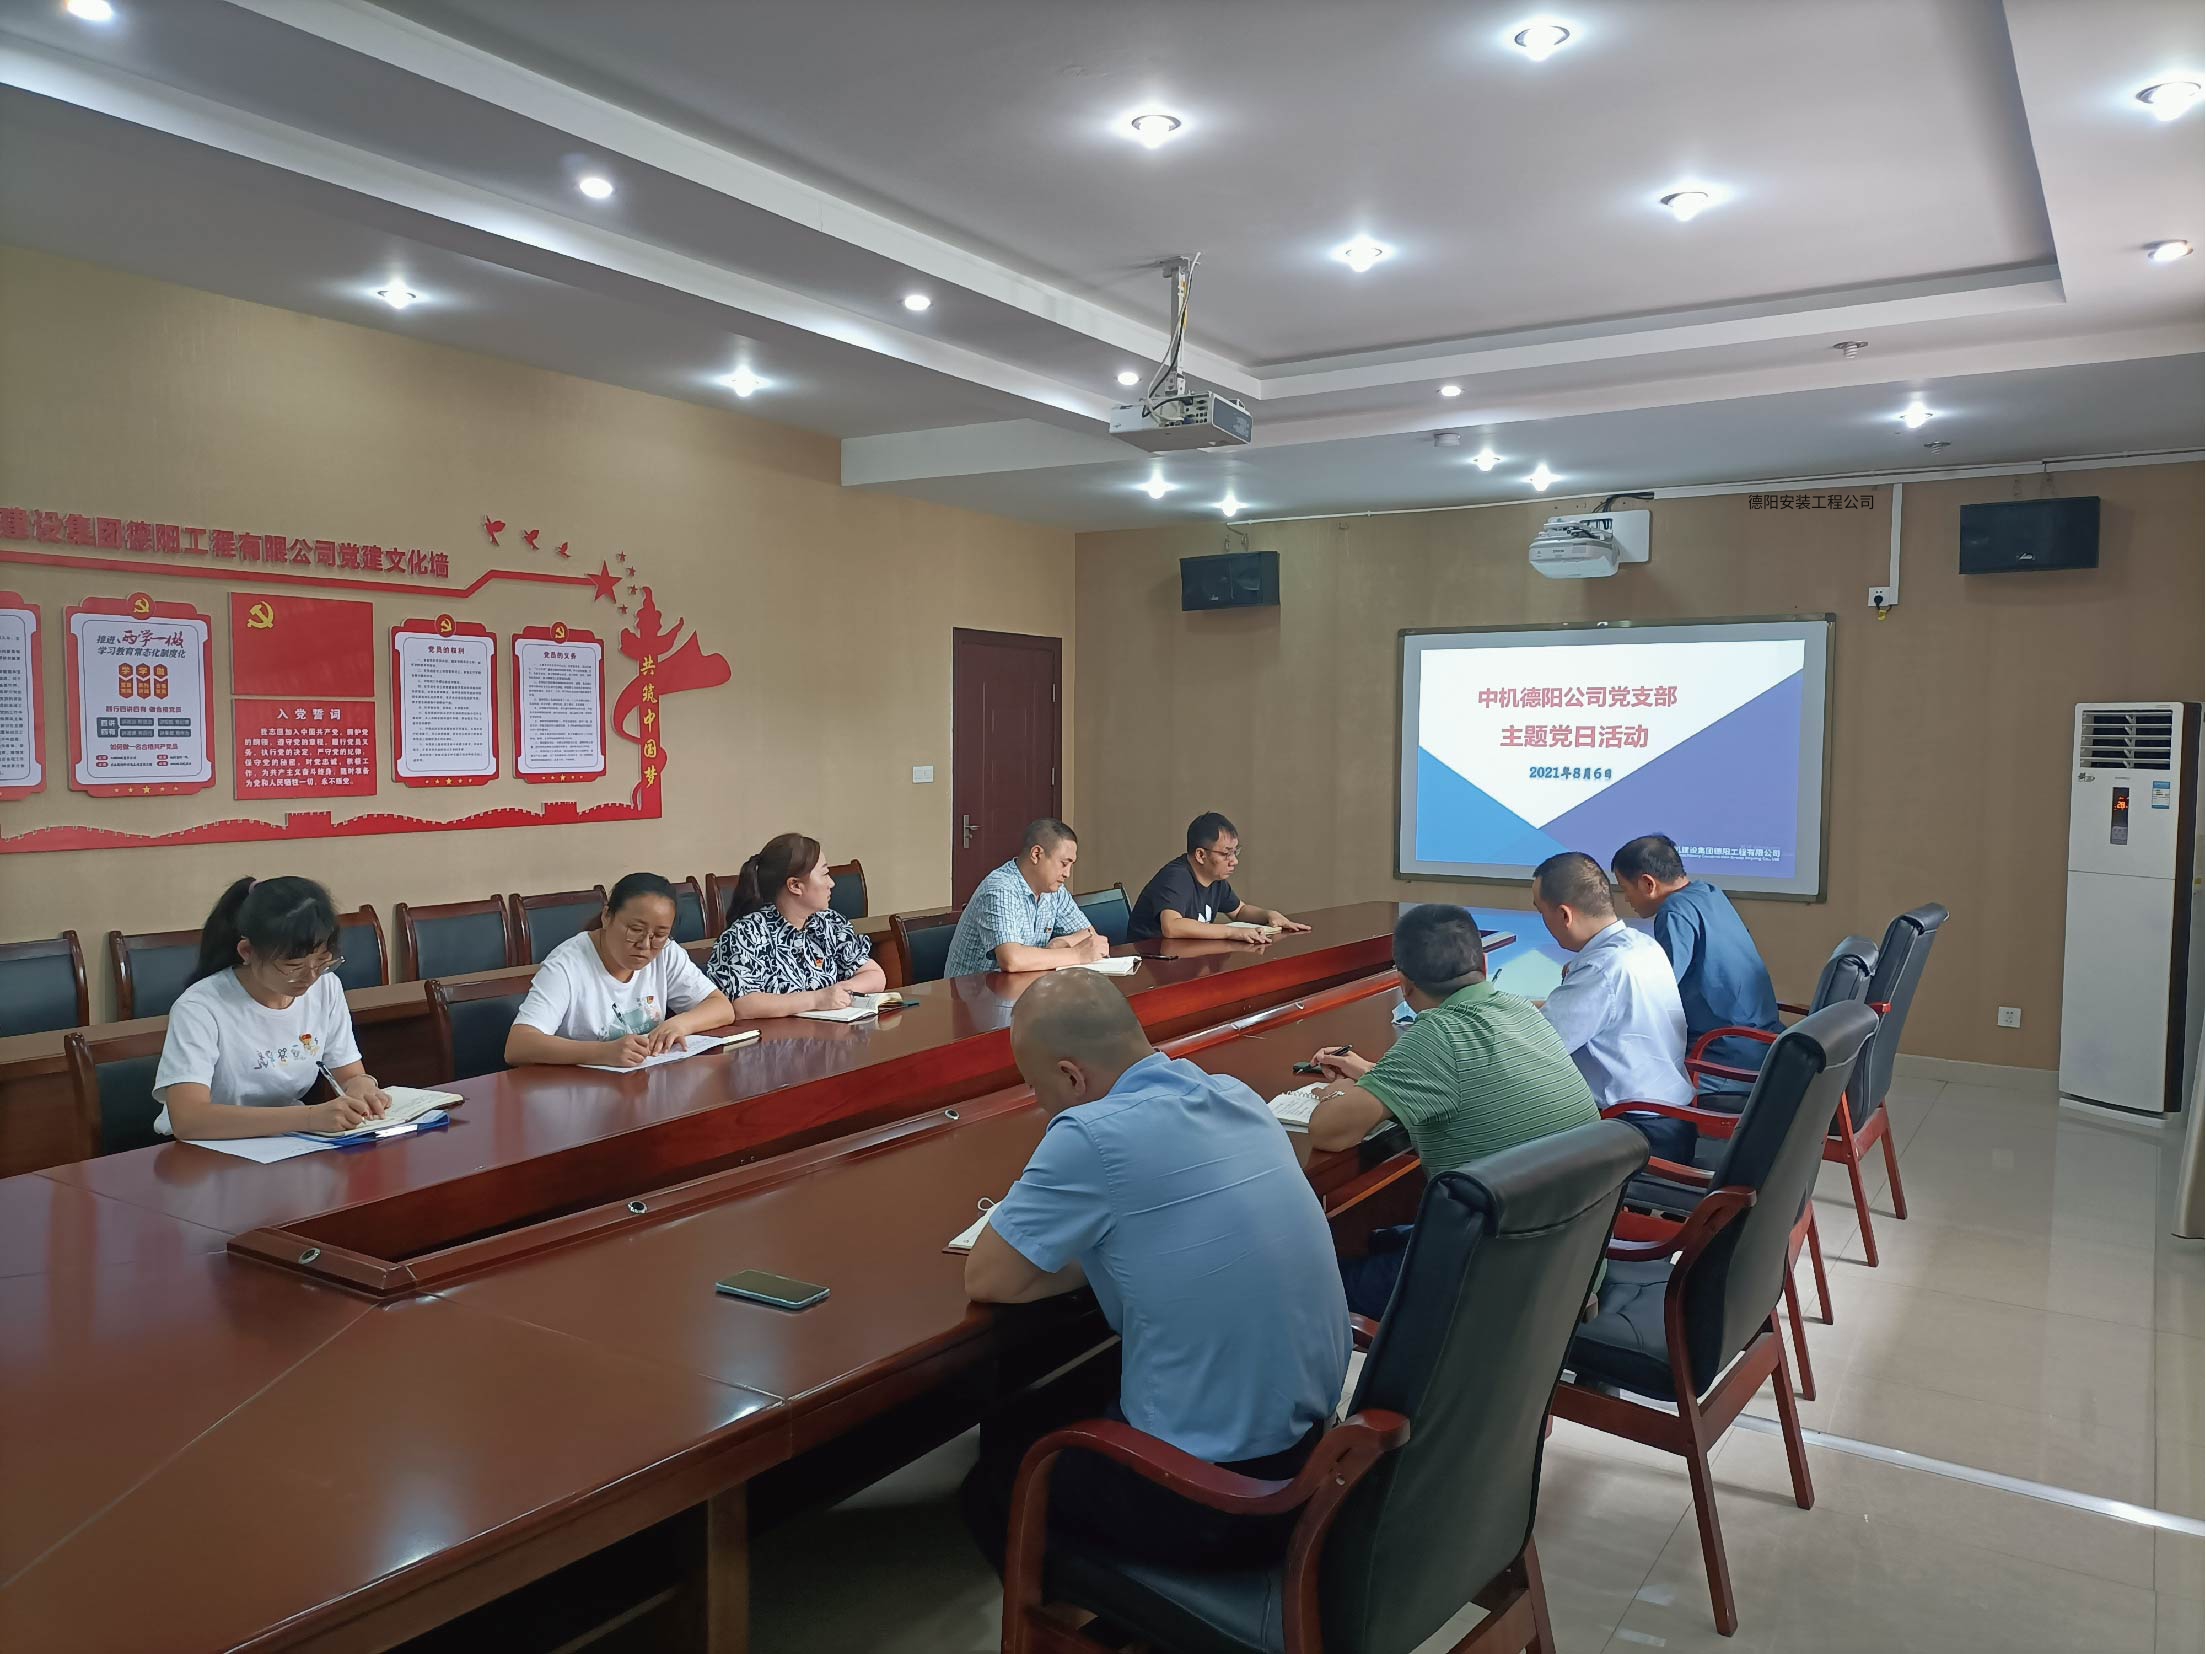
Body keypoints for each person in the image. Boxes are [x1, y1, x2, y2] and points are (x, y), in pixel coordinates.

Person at [960, 970, 1349, 1572]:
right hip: (1316, 1455)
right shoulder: (1233, 1094)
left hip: (1219, 1498)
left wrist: (1103, 1246)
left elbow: (989, 1278)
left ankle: (1111, 1610)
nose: (1040, 1104)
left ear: (1071, 1075)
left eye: (1038, 1088)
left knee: (992, 1485)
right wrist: (1131, 1246)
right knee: (1055, 1399)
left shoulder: (1091, 1132)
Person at [1303, 903, 1599, 1318]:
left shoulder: (1437, 1034)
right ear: (1483, 963)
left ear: (1404, 985)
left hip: (1495, 1280)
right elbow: (1468, 1079)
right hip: (1571, 1260)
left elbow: (1328, 1132)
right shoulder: (1521, 1011)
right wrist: (1376, 1075)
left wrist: (1340, 1089)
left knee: (1313, 1285)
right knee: (1382, 1238)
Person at [153, 876, 392, 1140]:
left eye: (323, 961)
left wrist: (362, 1086)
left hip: (288, 1141)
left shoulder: (326, 987)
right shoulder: (199, 1008)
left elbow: (349, 1073)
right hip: (206, 1148)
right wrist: (310, 1117)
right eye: (293, 966)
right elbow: (189, 1119)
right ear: (247, 951)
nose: (310, 976)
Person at [1532, 850, 1693, 1156]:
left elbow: (1538, 1049)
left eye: (1542, 912)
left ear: (1564, 915)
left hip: (1630, 1133)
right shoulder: (1642, 944)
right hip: (1672, 1119)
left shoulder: (1600, 968)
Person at [1611, 833, 1781, 1099]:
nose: (1626, 899)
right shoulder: (1710, 893)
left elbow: (1655, 992)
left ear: (1648, 883)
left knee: (1619, 1080)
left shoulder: (1674, 912)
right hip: (1761, 1042)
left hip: (1724, 1056)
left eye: (1624, 889)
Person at [506, 872, 734, 1067]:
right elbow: (518, 1045)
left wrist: (679, 1024)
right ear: (607, 916)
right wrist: (601, 1052)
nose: (645, 945)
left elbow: (721, 1007)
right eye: (635, 929)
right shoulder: (566, 965)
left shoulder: (666, 952)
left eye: (659, 935)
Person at [703, 833, 886, 1017]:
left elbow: (875, 975)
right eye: (824, 874)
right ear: (795, 886)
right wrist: (816, 999)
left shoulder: (829, 923)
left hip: (829, 1031)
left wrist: (842, 990)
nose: (831, 883)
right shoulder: (747, 934)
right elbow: (743, 1005)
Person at [943, 818, 1111, 978]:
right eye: (1064, 864)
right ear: (1036, 854)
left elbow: (1090, 936)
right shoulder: (1000, 888)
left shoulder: (1055, 890)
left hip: (1023, 987)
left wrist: (1061, 943)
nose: (1067, 873)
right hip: (972, 994)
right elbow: (1012, 960)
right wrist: (1076, 954)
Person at [1127, 812, 1310, 943]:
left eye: (1235, 852)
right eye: (1226, 853)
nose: (1234, 861)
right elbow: (1172, 927)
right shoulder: (1176, 877)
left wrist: (1269, 915)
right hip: (1149, 963)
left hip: (1183, 959)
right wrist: (1230, 932)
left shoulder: (1215, 880)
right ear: (1201, 855)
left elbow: (1239, 911)